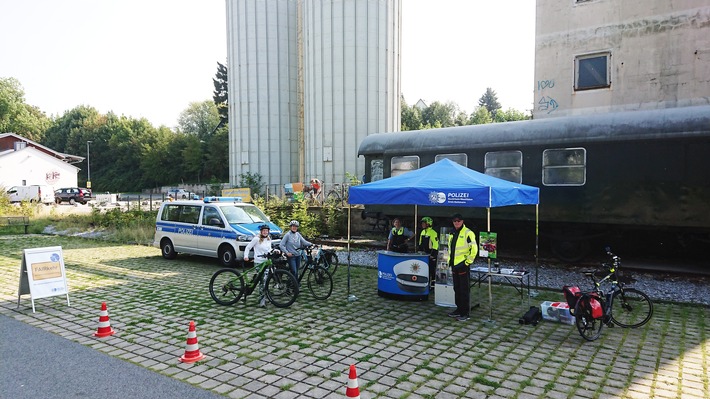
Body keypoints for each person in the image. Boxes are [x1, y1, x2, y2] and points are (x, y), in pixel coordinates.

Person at [446, 213, 477, 321]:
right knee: (457, 288)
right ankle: (459, 309)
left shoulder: (468, 233)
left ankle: (465, 313)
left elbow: (474, 249)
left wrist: (467, 262)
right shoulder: (452, 232)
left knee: (464, 290)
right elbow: (451, 248)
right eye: (454, 221)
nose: (456, 223)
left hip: (463, 265)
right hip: (454, 264)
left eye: (458, 221)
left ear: (462, 221)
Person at [244, 224, 279, 307]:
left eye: (266, 231)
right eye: (264, 231)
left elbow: (269, 249)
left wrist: (276, 250)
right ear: (261, 231)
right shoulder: (256, 239)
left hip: (266, 262)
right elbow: (248, 247)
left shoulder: (268, 239)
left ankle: (265, 296)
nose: (265, 232)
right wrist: (246, 256)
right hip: (259, 262)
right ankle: (262, 300)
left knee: (265, 280)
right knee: (263, 281)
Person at [418, 216, 439, 288]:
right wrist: (419, 251)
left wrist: (433, 255)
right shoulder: (422, 232)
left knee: (431, 269)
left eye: (424, 223)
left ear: (428, 224)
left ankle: (433, 284)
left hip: (431, 254)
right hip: (423, 254)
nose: (422, 224)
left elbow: (436, 245)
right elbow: (420, 243)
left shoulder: (433, 233)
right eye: (422, 223)